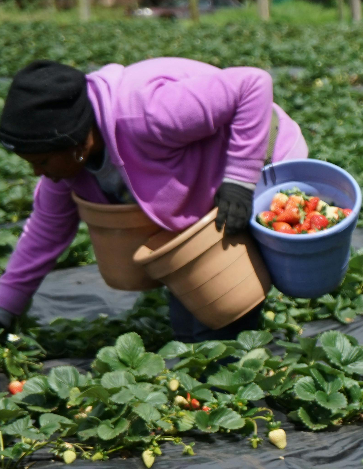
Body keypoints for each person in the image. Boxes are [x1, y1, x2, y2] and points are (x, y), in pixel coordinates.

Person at [0, 58, 307, 343]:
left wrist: (240, 180)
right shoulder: (67, 165)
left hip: (261, 157)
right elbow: (45, 232)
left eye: (42, 161)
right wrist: (5, 305)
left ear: (76, 144)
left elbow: (252, 84)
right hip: (200, 184)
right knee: (189, 324)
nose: (37, 172)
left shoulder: (149, 113)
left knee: (222, 312)